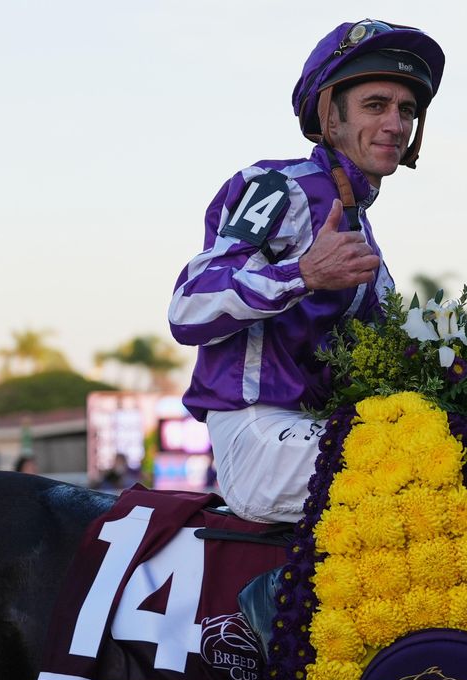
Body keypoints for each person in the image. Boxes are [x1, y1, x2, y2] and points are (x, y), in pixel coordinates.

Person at [168, 19, 445, 523]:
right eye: (375, 105)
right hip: (258, 434)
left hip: (317, 428)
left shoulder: (361, 230)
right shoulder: (279, 185)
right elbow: (189, 308)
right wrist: (303, 275)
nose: (396, 124)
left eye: (407, 110)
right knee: (438, 462)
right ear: (330, 116)